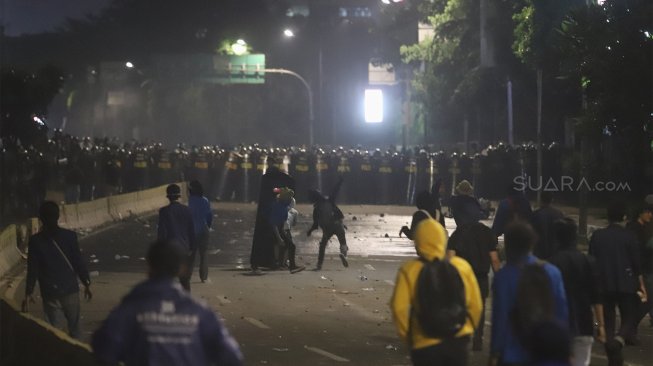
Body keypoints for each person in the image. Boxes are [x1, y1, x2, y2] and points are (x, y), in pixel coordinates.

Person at [92, 240, 243, 366]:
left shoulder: (130, 309)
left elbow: (104, 349)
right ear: (182, 269)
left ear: (149, 266)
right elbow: (232, 356)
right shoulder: (200, 312)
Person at [390, 215, 482, 366]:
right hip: (457, 341)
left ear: (418, 240)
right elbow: (476, 305)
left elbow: (398, 308)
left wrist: (409, 337)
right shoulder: (461, 266)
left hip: (424, 342)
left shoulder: (409, 270)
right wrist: (468, 329)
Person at [490, 221, 568, 365]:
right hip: (547, 352)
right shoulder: (552, 272)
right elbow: (561, 313)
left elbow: (500, 317)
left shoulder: (503, 277)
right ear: (532, 243)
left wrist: (495, 352)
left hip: (513, 353)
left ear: (508, 245)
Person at [22, 201, 92, 339]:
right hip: (70, 289)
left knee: (55, 334)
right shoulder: (70, 236)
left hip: (50, 292)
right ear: (58, 216)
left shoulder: (35, 241)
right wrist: (86, 282)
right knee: (76, 330)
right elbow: (78, 262)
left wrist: (28, 292)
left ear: (41, 218)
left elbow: (33, 269)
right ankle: (78, 358)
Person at [589, 201, 647, 351]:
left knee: (608, 317)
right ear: (624, 217)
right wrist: (641, 283)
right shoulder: (629, 236)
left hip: (604, 282)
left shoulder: (597, 236)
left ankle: (610, 345)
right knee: (629, 315)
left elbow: (591, 259)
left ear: (608, 217)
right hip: (626, 282)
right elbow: (636, 263)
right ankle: (620, 338)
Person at [549, 217, 605, 366]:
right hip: (583, 322)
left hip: (557, 324)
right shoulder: (589, 261)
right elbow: (597, 297)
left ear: (556, 238)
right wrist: (601, 326)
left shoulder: (551, 264)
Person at [446, 215, 500, 351]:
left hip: (462, 277)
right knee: (480, 310)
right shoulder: (487, 232)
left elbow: (450, 258)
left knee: (460, 308)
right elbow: (494, 259)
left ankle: (461, 338)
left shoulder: (458, 233)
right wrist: (499, 277)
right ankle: (478, 341)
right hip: (481, 278)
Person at [250, 162, 295, 272]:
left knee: (262, 242)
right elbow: (278, 189)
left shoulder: (265, 180)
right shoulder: (274, 187)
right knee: (275, 242)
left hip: (264, 217)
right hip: (271, 218)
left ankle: (262, 262)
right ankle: (277, 263)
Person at [158, 183, 196, 291]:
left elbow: (162, 233)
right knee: (184, 280)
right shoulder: (187, 210)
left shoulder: (164, 212)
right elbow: (191, 231)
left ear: (168, 197)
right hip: (184, 249)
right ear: (179, 196)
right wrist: (192, 248)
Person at [307, 176, 349, 270]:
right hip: (338, 225)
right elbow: (335, 190)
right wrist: (340, 181)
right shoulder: (329, 200)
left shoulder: (317, 209)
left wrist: (310, 231)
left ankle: (319, 265)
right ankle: (344, 255)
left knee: (322, 246)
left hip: (327, 229)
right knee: (343, 242)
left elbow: (315, 224)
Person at [627, 203, 653, 331]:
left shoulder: (644, 227)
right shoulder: (634, 228)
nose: (650, 215)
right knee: (645, 300)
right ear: (641, 213)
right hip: (640, 270)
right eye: (648, 212)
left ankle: (630, 327)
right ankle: (630, 327)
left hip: (644, 268)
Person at [268, 188, 305, 273]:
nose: (290, 200)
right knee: (291, 246)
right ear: (285, 199)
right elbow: (274, 225)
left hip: (280, 229)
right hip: (274, 230)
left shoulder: (284, 208)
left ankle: (282, 265)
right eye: (289, 198)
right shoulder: (279, 207)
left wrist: (283, 235)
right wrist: (279, 238)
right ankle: (291, 266)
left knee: (286, 246)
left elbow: (281, 224)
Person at [188, 180, 212, 283]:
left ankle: (187, 276)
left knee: (191, 255)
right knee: (204, 254)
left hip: (193, 230)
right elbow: (209, 216)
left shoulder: (190, 201)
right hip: (204, 229)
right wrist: (208, 226)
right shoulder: (205, 200)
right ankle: (203, 277)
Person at [530, 191, 564, 260]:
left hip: (539, 252)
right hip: (555, 251)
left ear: (541, 199)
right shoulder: (559, 214)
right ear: (552, 200)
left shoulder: (535, 214)